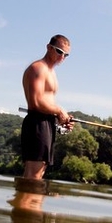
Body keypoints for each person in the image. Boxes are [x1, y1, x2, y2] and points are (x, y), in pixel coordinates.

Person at [20, 34, 73, 179]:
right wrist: (59, 110)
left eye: (66, 55)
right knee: (34, 174)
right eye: (59, 51)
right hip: (36, 123)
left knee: (40, 172)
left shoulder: (51, 72)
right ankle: (26, 195)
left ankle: (31, 196)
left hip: (47, 123)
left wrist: (62, 118)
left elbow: (47, 103)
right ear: (49, 47)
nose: (62, 57)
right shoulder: (38, 68)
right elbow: (36, 102)